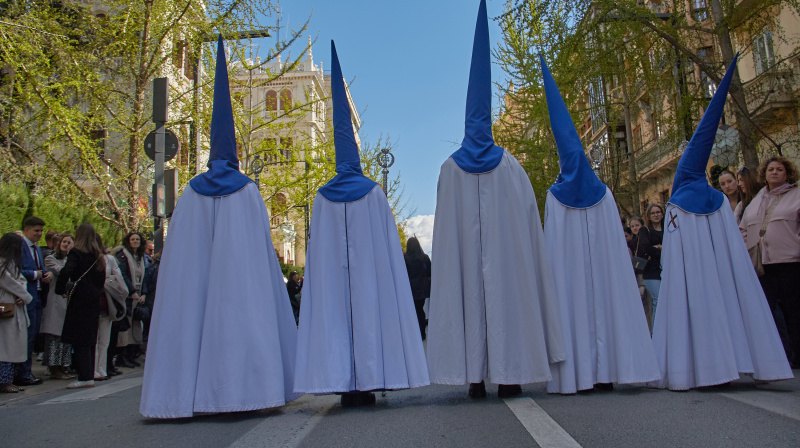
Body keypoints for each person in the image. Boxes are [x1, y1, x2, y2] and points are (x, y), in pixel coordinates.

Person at [140, 36, 299, 418]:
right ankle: (246, 390)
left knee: (191, 308)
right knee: (243, 309)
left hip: (197, 282)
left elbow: (179, 264)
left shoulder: (191, 192)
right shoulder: (247, 191)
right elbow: (262, 254)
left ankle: (184, 395)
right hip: (242, 282)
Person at [427, 1, 565, 399]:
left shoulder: (449, 170)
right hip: (508, 259)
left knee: (469, 291)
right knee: (507, 294)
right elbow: (529, 225)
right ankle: (509, 374)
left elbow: (445, 240)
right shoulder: (511, 167)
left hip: (482, 254)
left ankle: (474, 375)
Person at [294, 42, 429, 407]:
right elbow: (388, 253)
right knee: (368, 315)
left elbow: (317, 254)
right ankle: (368, 380)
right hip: (370, 280)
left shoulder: (322, 199)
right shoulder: (373, 194)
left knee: (337, 316)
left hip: (335, 283)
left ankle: (343, 382)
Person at [650, 56, 793, 390]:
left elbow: (672, 252)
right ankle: (743, 360)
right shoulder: (717, 200)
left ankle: (704, 368)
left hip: (691, 276)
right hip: (723, 273)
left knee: (699, 311)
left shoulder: (676, 204)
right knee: (730, 304)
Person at [539, 55, 660, 394]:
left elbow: (553, 251)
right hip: (604, 274)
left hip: (570, 277)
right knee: (608, 301)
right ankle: (609, 370)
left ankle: (578, 374)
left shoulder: (554, 197)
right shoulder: (604, 194)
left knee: (573, 306)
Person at [740, 155, 800, 369]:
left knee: (794, 311)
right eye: (770, 169)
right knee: (767, 312)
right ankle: (777, 355)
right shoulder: (756, 201)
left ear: (787, 174)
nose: (774, 172)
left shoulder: (796, 196)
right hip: (762, 266)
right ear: (764, 175)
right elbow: (743, 229)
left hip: (790, 262)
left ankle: (797, 355)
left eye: (779, 169)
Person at [55, 223, 106, 389]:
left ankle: (84, 376)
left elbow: (66, 271)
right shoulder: (98, 256)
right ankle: (89, 374)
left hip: (79, 300)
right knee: (90, 338)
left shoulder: (76, 253)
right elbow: (101, 279)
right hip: (94, 299)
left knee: (79, 339)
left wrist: (61, 289)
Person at [13, 216, 51, 387]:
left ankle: (25, 371)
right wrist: (36, 274)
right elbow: (17, 270)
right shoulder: (20, 247)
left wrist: (46, 274)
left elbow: (39, 269)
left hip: (37, 296)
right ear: (26, 230)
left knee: (32, 336)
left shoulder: (36, 249)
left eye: (41, 231)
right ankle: (22, 373)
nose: (39, 234)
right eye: (36, 231)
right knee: (26, 337)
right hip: (25, 297)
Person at [0, 233, 34, 393]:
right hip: (6, 308)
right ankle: (3, 381)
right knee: (5, 347)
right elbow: (8, 282)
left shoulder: (12, 263)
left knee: (11, 346)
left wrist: (22, 295)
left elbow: (22, 281)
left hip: (15, 306)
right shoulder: (1, 263)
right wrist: (24, 295)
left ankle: (9, 380)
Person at [40, 234, 76, 380]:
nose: (66, 244)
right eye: (64, 242)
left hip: (68, 301)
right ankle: (53, 367)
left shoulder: (73, 260)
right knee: (54, 336)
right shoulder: (51, 259)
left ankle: (63, 366)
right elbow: (63, 272)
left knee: (65, 337)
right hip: (55, 300)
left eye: (69, 242)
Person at [96, 234, 126, 381]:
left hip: (105, 302)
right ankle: (95, 369)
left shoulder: (109, 259)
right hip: (96, 301)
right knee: (97, 339)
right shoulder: (86, 258)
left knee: (103, 339)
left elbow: (120, 280)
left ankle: (100, 368)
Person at [115, 232, 146, 368]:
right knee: (126, 329)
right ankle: (122, 357)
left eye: (137, 239)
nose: (135, 241)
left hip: (138, 295)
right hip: (127, 295)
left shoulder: (140, 257)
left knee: (135, 326)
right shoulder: (122, 255)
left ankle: (131, 355)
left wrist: (143, 293)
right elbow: (122, 274)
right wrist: (132, 291)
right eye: (132, 239)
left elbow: (145, 275)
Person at [404, 237, 431, 340]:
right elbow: (429, 272)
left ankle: (414, 333)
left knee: (414, 311)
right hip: (422, 289)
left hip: (410, 289)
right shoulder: (424, 257)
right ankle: (422, 332)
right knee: (420, 310)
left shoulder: (405, 259)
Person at [642, 204, 664, 321]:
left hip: (667, 270)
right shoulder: (645, 230)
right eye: (653, 213)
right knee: (658, 300)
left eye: (658, 212)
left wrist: (657, 247)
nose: (656, 215)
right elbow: (646, 248)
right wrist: (662, 249)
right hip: (651, 271)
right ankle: (656, 330)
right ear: (649, 216)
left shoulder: (668, 229)